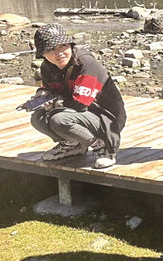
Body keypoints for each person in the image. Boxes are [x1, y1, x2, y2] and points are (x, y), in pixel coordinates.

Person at [30, 22, 126, 169]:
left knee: (59, 120)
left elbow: (80, 104)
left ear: (70, 44)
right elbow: (51, 91)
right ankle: (73, 144)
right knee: (38, 118)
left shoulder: (86, 64)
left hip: (106, 117)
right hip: (77, 113)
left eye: (62, 46)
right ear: (42, 53)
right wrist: (42, 95)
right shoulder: (47, 68)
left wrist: (55, 103)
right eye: (51, 49)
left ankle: (104, 146)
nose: (59, 53)